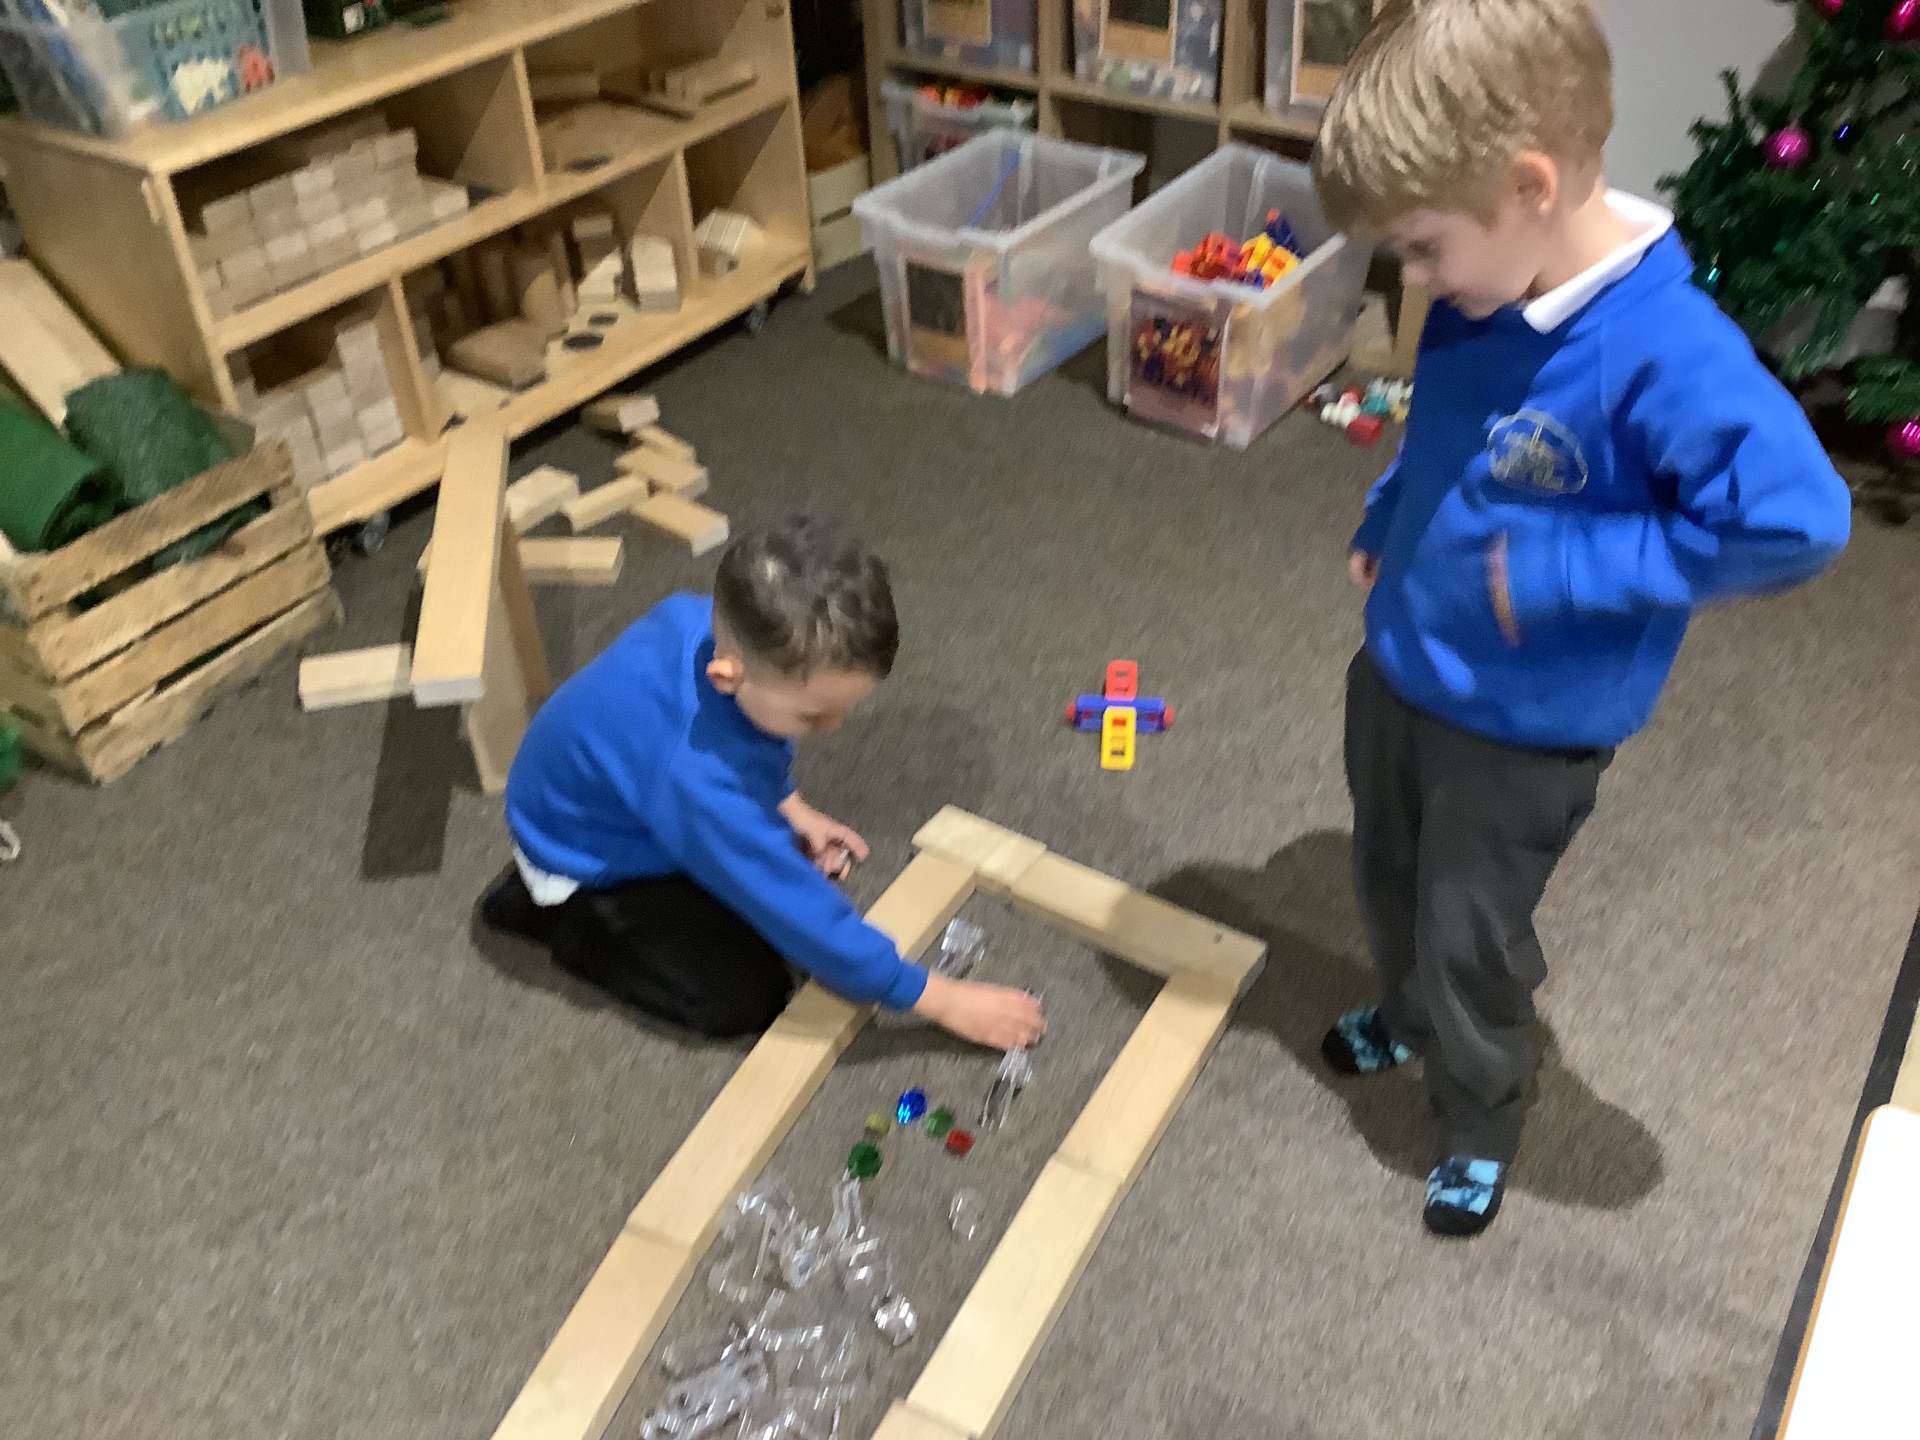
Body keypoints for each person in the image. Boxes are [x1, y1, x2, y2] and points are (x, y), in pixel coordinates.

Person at [1310, 0, 1851, 1236]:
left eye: (1423, 249)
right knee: (1387, 873)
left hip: (1526, 728)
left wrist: (1571, 570)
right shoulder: (1485, 286)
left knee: (1471, 932)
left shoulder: (1664, 349)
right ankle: (1405, 1015)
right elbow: (1446, 434)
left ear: (1530, 186)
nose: (1415, 279)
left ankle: (1480, 1112)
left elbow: (1800, 519)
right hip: (1401, 667)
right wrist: (1391, 513)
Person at [481, 514, 1046, 1050]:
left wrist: (788, 806)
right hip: (580, 864)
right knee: (747, 996)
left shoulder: (706, 624)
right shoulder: (696, 777)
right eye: (814, 716)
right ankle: (549, 916)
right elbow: (792, 904)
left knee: (750, 879)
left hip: (619, 801)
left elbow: (751, 744)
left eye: (843, 710)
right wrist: (939, 999)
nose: (833, 728)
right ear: (727, 677)